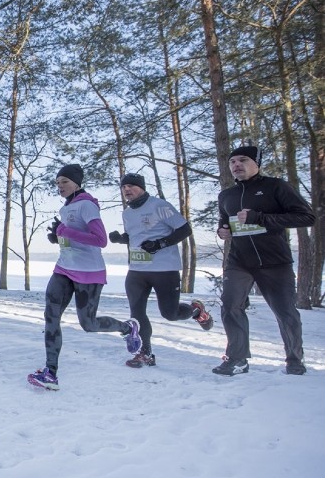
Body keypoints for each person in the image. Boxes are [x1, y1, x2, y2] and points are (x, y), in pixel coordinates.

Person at [27, 164, 141, 390]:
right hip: (64, 268)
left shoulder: (87, 205)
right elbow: (72, 236)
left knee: (88, 324)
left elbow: (100, 240)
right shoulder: (66, 208)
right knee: (51, 316)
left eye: (65, 182)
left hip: (88, 272)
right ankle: (51, 372)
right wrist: (57, 237)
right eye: (58, 183)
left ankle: (128, 328)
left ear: (77, 182)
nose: (60, 186)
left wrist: (66, 232)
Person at [213, 145, 315, 376]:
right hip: (239, 261)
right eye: (232, 162)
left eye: (243, 160)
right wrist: (222, 230)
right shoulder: (226, 195)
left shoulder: (275, 186)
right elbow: (224, 220)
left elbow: (307, 217)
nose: (236, 165)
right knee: (231, 306)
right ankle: (237, 359)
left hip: (274, 261)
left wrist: (260, 218)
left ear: (257, 163)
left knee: (285, 312)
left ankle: (294, 359)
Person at [108, 173, 214, 369]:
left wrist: (160, 243)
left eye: (131, 186)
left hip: (164, 269)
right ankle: (145, 353)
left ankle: (197, 310)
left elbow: (185, 229)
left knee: (170, 313)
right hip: (137, 271)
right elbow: (136, 237)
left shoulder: (159, 206)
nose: (127, 190)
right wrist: (120, 239)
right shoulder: (127, 213)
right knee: (136, 314)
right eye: (123, 187)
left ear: (142, 187)